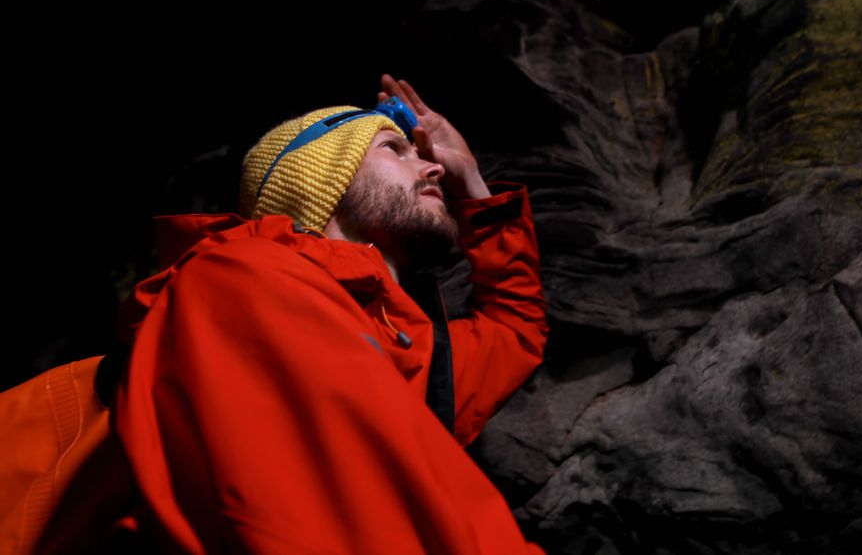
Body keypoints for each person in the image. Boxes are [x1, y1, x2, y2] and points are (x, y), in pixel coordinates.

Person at [2, 74, 550, 554]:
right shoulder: (244, 276)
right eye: (396, 149)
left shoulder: (411, 351)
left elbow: (515, 327)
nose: (432, 167)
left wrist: (473, 182)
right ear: (322, 179)